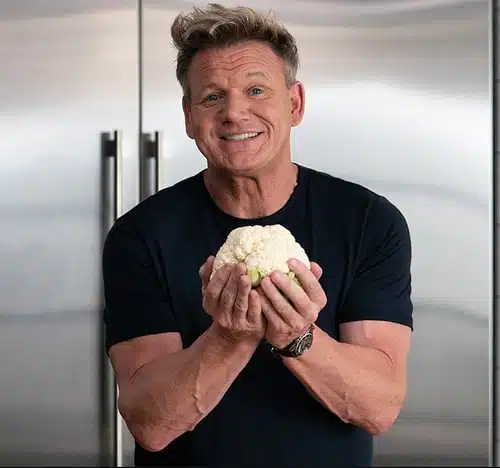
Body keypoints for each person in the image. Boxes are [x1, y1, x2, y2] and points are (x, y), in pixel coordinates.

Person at [102, 3, 414, 467]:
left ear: (295, 104)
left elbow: (379, 407)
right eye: (212, 97)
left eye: (255, 90)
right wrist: (228, 338)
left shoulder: (369, 221)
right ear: (189, 117)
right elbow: (150, 424)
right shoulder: (139, 236)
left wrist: (296, 336)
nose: (234, 112)